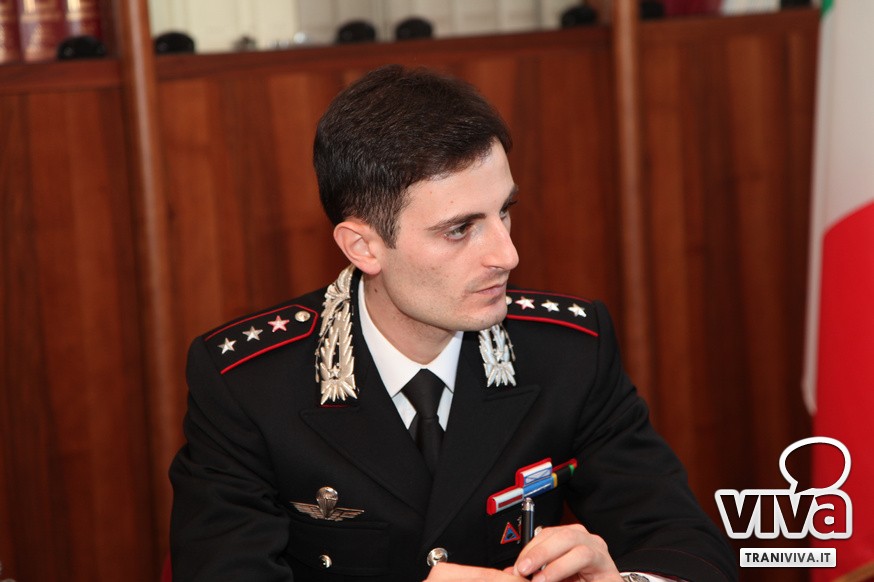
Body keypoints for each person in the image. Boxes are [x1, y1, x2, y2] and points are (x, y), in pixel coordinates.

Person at [169, 64, 736, 582]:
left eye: (505, 211)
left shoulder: (569, 350)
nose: (507, 254)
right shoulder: (249, 384)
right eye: (460, 229)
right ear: (363, 246)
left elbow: (688, 548)